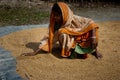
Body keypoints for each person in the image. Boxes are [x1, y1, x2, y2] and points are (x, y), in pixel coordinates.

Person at [21, 2, 102, 59]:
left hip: (79, 38)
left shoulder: (73, 18)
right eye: (54, 15)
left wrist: (94, 37)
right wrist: (35, 52)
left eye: (57, 15)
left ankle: (94, 50)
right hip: (70, 42)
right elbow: (49, 38)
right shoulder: (55, 24)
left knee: (91, 31)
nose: (55, 17)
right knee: (63, 32)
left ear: (63, 15)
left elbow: (91, 23)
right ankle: (70, 51)